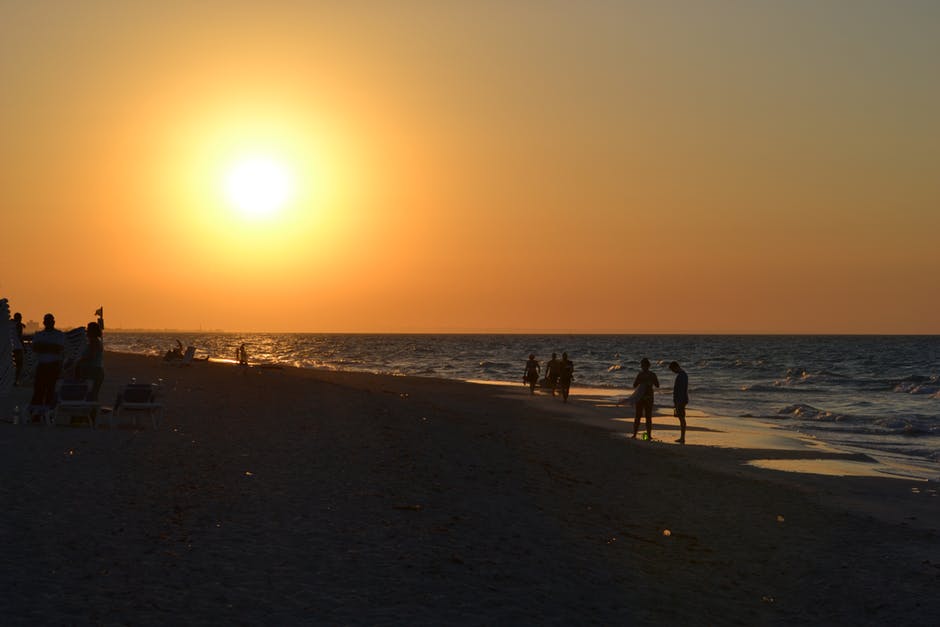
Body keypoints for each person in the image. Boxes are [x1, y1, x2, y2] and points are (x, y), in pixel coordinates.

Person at [30, 313, 66, 418]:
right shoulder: (39, 334)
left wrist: (44, 346)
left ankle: (48, 413)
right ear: (44, 322)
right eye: (47, 321)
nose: (49, 323)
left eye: (50, 321)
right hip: (42, 365)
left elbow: (58, 349)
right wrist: (50, 347)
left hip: (53, 366)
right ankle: (36, 413)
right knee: (38, 390)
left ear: (53, 322)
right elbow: (36, 348)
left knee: (51, 390)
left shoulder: (59, 334)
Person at [75, 308, 105, 401]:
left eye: (88, 329)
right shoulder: (93, 342)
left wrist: (79, 361)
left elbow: (91, 356)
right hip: (95, 370)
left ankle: (89, 410)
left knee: (91, 393)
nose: (86, 331)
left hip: (93, 370)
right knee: (92, 393)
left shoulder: (94, 342)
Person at [631, 357, 660, 441]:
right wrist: (645, 382)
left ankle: (641, 435)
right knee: (643, 417)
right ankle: (642, 435)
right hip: (644, 398)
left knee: (643, 417)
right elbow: (657, 385)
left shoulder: (644, 374)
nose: (643, 367)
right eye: (643, 366)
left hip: (645, 398)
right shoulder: (650, 374)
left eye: (644, 365)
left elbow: (657, 385)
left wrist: (646, 382)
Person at [670, 361, 689, 444]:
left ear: (676, 367)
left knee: (681, 418)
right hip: (681, 399)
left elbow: (681, 390)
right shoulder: (683, 375)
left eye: (673, 370)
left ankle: (682, 438)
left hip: (680, 400)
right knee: (681, 418)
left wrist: (678, 402)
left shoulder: (682, 376)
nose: (673, 372)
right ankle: (682, 437)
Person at [11, 312, 25, 385]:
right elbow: (20, 337)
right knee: (19, 365)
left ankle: (13, 380)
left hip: (11, 347)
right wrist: (24, 347)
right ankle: (16, 380)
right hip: (18, 348)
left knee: (13, 365)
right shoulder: (19, 325)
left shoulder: (11, 324)